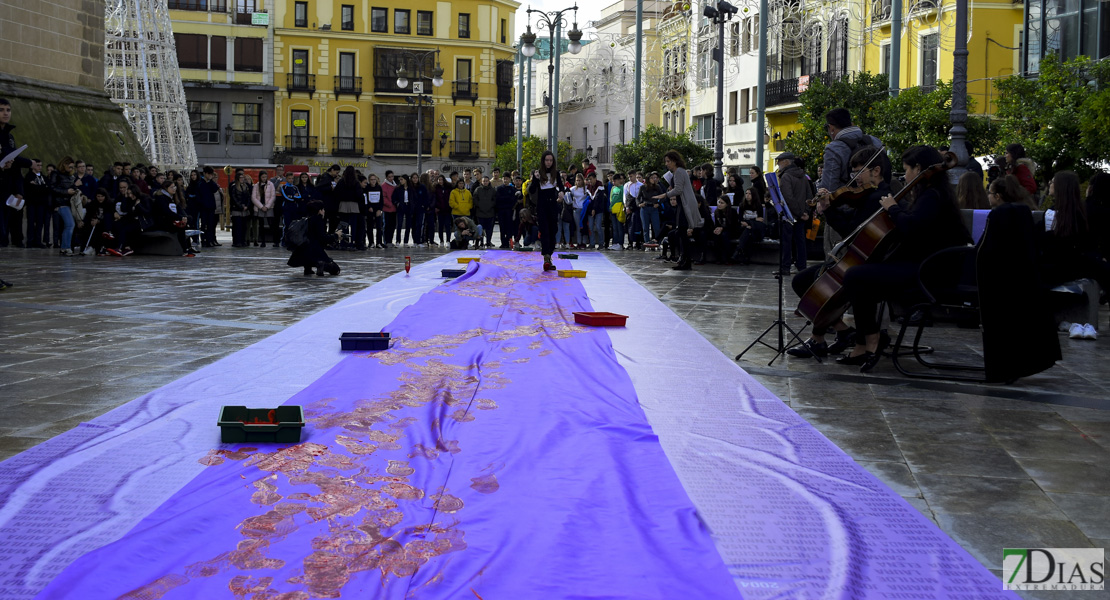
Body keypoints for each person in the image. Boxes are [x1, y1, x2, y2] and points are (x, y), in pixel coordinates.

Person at [834, 145, 969, 372]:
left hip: (929, 272)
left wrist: (893, 208)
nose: (904, 175)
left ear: (918, 168)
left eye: (907, 169)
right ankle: (864, 341)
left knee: (856, 276)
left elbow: (912, 227)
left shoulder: (932, 196)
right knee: (861, 278)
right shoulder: (932, 193)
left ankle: (870, 340)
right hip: (925, 266)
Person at [788, 146, 891, 359]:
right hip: (855, 260)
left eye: (858, 172)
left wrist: (829, 210)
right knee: (806, 281)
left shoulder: (877, 199)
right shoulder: (870, 196)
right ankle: (841, 332)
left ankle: (823, 338)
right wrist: (830, 206)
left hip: (862, 264)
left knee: (808, 282)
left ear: (876, 170)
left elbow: (850, 231)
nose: (854, 180)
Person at [979, 173, 1061, 379]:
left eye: (990, 194)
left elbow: (984, 250)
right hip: (1021, 280)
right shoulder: (1023, 212)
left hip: (994, 280)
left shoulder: (998, 215)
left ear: (997, 196)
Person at [815, 108, 886, 257]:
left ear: (831, 127)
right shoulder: (874, 141)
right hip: (877, 207)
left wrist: (821, 197)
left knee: (837, 258)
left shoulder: (834, 148)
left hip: (845, 211)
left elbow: (829, 187)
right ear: (851, 123)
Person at [653, 150, 702, 270]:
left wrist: (665, 195)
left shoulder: (679, 172)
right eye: (666, 161)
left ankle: (685, 261)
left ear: (675, 161)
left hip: (684, 205)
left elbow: (679, 190)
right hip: (683, 204)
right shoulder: (679, 172)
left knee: (682, 233)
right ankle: (684, 260)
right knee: (681, 233)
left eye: (668, 161)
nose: (667, 164)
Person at [775, 152, 812, 273]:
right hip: (802, 215)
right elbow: (809, 195)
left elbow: (788, 198)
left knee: (786, 242)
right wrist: (805, 212)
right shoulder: (803, 175)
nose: (778, 164)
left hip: (790, 215)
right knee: (800, 242)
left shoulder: (786, 177)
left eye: (779, 162)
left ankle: (785, 267)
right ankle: (802, 266)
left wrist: (799, 213)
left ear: (786, 162)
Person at [528, 151, 564, 270]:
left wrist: (561, 193)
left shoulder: (556, 173)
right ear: (543, 161)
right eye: (547, 160)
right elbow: (532, 191)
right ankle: (546, 256)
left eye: (551, 160)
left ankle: (549, 255)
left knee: (554, 230)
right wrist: (535, 179)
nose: (548, 162)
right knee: (545, 231)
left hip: (553, 206)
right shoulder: (538, 173)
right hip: (542, 206)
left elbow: (561, 187)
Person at [288, 200, 341, 276]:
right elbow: (322, 238)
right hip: (315, 251)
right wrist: (336, 235)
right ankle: (320, 264)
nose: (324, 211)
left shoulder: (306, 220)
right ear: (320, 211)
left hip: (301, 252)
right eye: (323, 209)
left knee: (310, 252)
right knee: (336, 270)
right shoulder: (318, 220)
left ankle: (308, 268)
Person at [151, 179, 195, 256]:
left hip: (174, 220)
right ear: (166, 188)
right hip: (163, 222)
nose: (174, 188)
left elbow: (179, 209)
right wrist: (180, 218)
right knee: (181, 228)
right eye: (172, 187)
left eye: (174, 187)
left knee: (188, 219)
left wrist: (185, 217)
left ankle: (189, 247)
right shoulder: (161, 198)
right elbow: (166, 212)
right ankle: (185, 249)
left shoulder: (173, 198)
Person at [733, 188, 766, 264]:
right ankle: (744, 256)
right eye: (746, 193)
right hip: (745, 228)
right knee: (748, 232)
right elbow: (740, 220)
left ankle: (739, 251)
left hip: (756, 230)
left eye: (750, 194)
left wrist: (749, 222)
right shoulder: (742, 206)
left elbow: (760, 220)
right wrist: (753, 221)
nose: (747, 195)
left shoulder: (758, 206)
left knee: (749, 231)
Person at [334, 166, 362, 251]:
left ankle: (344, 243)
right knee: (354, 225)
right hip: (354, 205)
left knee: (344, 225)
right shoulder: (356, 182)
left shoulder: (342, 181)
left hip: (343, 205)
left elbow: (336, 193)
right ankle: (353, 242)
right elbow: (359, 194)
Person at [23, 159, 50, 248]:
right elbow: (30, 189)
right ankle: (30, 241)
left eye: (41, 165)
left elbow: (47, 188)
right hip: (31, 203)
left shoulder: (44, 177)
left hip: (41, 203)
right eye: (38, 165)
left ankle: (38, 241)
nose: (40, 167)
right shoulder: (29, 176)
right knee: (31, 222)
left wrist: (38, 187)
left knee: (39, 222)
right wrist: (40, 187)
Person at [197, 167, 222, 247]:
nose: (210, 176)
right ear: (205, 173)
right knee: (204, 225)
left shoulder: (210, 183)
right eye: (208, 174)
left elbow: (215, 189)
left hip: (211, 207)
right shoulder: (200, 183)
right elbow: (199, 195)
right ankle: (204, 240)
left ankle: (210, 240)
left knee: (211, 224)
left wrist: (211, 181)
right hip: (204, 207)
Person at [710, 198, 740, 264]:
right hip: (722, 230)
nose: (719, 204)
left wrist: (722, 229)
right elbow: (717, 224)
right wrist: (716, 229)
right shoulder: (717, 212)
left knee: (724, 235)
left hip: (732, 231)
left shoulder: (732, 212)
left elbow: (734, 226)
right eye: (719, 202)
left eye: (722, 203)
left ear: (727, 204)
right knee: (716, 235)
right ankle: (718, 257)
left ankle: (727, 257)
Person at [251, 170, 277, 248]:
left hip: (269, 207)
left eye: (265, 177)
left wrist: (267, 206)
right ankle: (262, 241)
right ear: (260, 177)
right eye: (263, 177)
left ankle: (275, 241)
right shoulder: (256, 185)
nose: (264, 178)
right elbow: (254, 197)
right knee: (261, 225)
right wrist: (261, 206)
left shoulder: (270, 184)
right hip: (260, 207)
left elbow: (273, 196)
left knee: (271, 224)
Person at [228, 171, 252, 247]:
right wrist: (240, 206)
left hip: (245, 209)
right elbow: (233, 198)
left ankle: (243, 240)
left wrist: (247, 206)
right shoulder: (234, 187)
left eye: (243, 177)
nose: (242, 179)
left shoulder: (246, 187)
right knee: (237, 226)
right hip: (237, 209)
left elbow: (249, 197)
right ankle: (236, 241)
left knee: (244, 226)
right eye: (241, 177)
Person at [473, 175, 497, 248]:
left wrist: (490, 205)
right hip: (480, 213)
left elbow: (495, 200)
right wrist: (479, 205)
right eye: (484, 181)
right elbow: (475, 199)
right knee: (481, 229)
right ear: (482, 182)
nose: (485, 182)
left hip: (490, 213)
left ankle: (488, 242)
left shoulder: (492, 190)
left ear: (489, 181)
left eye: (486, 181)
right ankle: (481, 242)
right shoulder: (478, 189)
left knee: (489, 229)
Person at [494, 174, 517, 248]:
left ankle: (509, 241)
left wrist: (507, 199)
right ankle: (503, 242)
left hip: (509, 210)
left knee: (509, 227)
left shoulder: (512, 189)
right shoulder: (499, 188)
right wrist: (507, 199)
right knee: (502, 227)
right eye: (504, 179)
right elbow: (498, 199)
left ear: (510, 179)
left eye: (507, 179)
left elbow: (513, 199)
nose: (505, 180)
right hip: (501, 210)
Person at [364, 173, 385, 249]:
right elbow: (366, 199)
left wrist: (380, 209)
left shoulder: (379, 187)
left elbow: (381, 200)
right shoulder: (367, 188)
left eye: (374, 179)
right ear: (369, 180)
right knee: (370, 227)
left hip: (377, 209)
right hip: (370, 210)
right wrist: (369, 207)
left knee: (379, 227)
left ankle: (379, 242)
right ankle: (371, 242)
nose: (373, 181)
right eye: (371, 179)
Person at [586, 172, 606, 249]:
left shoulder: (600, 186)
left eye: (591, 179)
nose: (590, 181)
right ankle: (592, 243)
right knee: (590, 227)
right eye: (589, 180)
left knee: (598, 227)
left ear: (595, 178)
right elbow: (588, 199)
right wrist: (591, 209)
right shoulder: (588, 188)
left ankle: (601, 243)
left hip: (598, 210)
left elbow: (598, 199)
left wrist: (594, 209)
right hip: (590, 210)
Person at [608, 172, 627, 250]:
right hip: (613, 210)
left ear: (619, 180)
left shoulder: (623, 188)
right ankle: (615, 243)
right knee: (614, 228)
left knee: (620, 227)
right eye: (613, 181)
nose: (613, 183)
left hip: (620, 210)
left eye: (615, 181)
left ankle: (620, 243)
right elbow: (611, 199)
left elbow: (624, 199)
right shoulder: (613, 188)